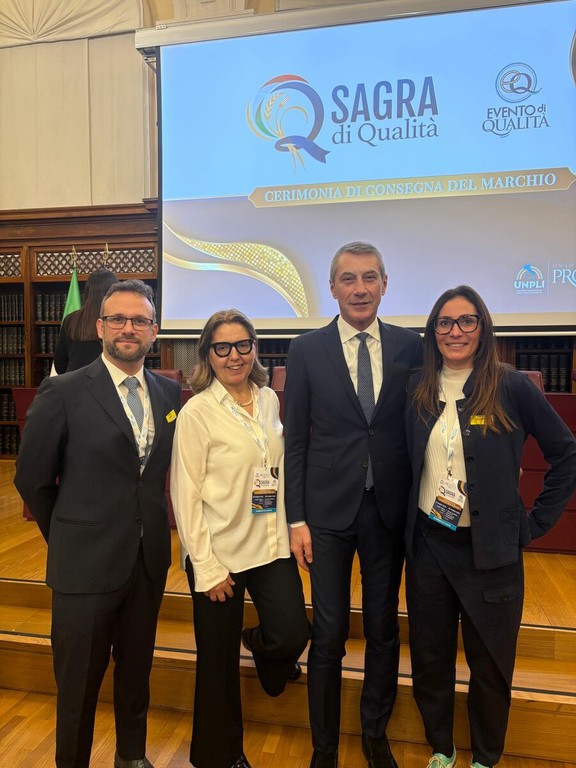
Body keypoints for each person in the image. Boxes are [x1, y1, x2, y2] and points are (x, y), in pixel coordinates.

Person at [404, 285, 576, 768]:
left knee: (491, 665)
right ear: (433, 331)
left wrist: (535, 522)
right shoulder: (416, 387)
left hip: (492, 555)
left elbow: (566, 453)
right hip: (429, 550)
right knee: (430, 660)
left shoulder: (511, 386)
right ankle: (441, 749)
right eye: (445, 322)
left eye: (467, 321)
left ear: (483, 327)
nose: (455, 331)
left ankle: (485, 758)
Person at [14, 279, 181, 768]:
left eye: (140, 321)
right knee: (79, 685)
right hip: (83, 567)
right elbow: (32, 478)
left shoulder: (169, 392)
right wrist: (69, 534)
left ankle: (132, 756)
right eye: (118, 319)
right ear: (101, 326)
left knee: (136, 674)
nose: (129, 328)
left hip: (146, 562)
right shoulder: (63, 390)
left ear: (154, 331)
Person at [284, 241, 423, 768]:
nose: (359, 289)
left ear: (385, 284)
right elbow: (296, 440)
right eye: (348, 278)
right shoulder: (305, 349)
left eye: (369, 278)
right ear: (332, 287)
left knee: (384, 631)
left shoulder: (411, 347)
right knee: (329, 633)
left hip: (389, 510)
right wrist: (296, 518)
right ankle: (323, 748)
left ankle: (374, 735)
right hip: (325, 513)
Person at [170, 308, 310, 768]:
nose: (234, 356)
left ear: (255, 348)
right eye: (222, 348)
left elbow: (277, 468)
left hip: (269, 544)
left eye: (243, 345)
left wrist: (293, 526)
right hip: (219, 553)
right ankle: (220, 756)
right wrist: (205, 567)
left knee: (291, 633)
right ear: (207, 355)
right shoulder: (197, 412)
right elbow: (185, 493)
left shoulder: (268, 399)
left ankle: (263, 650)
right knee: (217, 663)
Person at [54, 267, 117, 373]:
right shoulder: (117, 321)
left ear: (87, 291)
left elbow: (60, 364)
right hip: (107, 380)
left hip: (73, 380)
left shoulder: (70, 319)